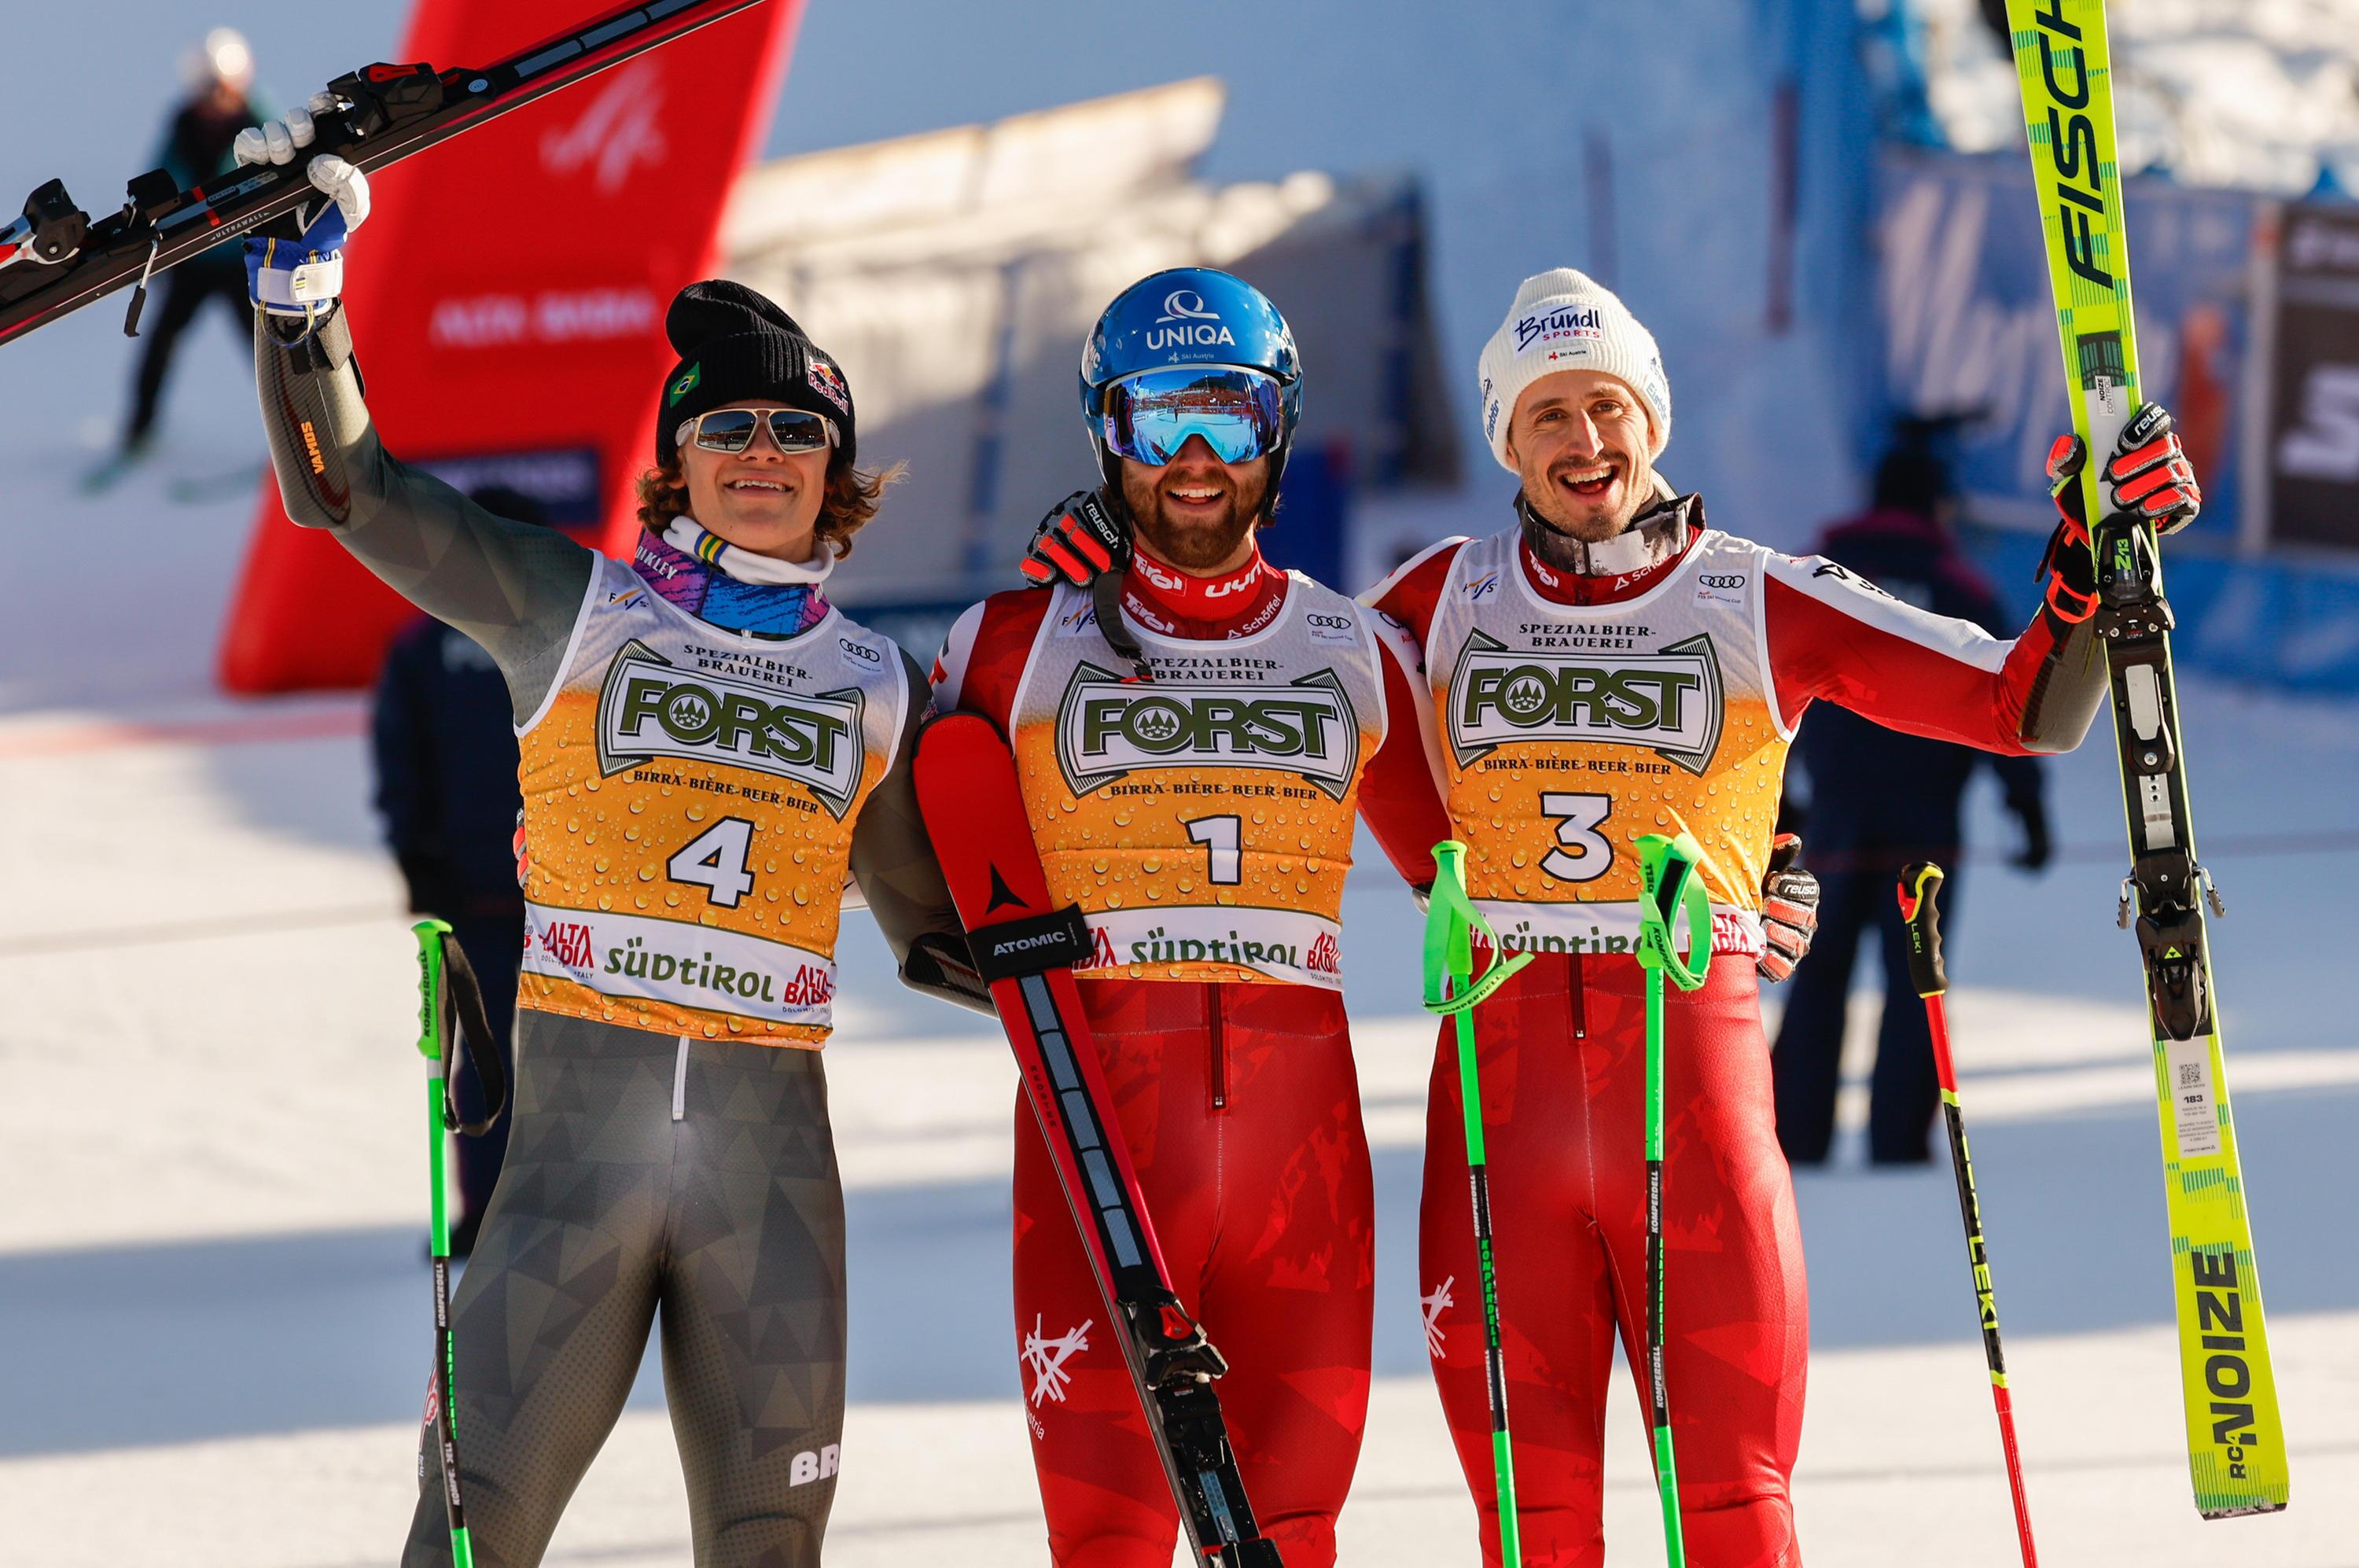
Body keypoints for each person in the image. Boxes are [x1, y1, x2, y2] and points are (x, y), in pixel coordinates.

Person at [1353, 269, 2199, 1566]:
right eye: (1548, 415)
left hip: (1692, 1121)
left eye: (1609, 405)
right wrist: (1098, 574)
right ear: (1506, 440)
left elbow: (2017, 704)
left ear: (1654, 415)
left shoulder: (1751, 592)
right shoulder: (1436, 596)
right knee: (1530, 1528)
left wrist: (2094, 556)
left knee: (1736, 1512)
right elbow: (1281, 676)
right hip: (1497, 1127)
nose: (1586, 440)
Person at [235, 128, 974, 1568]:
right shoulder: (572, 609)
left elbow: (948, 937)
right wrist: (300, 309)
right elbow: (349, 492)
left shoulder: (877, 684)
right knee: (470, 1536)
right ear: (676, 460)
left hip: (771, 1195)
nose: (762, 454)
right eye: (729, 428)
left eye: (797, 432)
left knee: (770, 1546)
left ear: (836, 472)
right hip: (567, 1181)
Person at [928, 267, 1438, 1568]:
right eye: (1160, 417)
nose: (1197, 455)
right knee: (1107, 1539)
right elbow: (850, 823)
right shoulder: (1004, 644)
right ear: (1107, 433)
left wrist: (1748, 860)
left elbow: (1489, 866)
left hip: (1302, 1177)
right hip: (1097, 1157)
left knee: (1296, 1537)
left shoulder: (1355, 649)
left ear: (1281, 426)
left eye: (1231, 412)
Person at [1771, 429, 2054, 1168]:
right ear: (1936, 507)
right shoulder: (1961, 590)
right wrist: (2026, 808)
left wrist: (1777, 806)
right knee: (1916, 982)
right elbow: (2009, 696)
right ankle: (1898, 1143)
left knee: (1816, 971)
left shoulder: (1818, 580)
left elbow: (1762, 683)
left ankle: (1796, 1135)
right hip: (1926, 822)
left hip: (1834, 817)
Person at [369, 484, 550, 1253]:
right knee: (481, 1053)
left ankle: (575, 1207)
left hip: (574, 896)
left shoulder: (579, 635)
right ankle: (492, 1206)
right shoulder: (426, 646)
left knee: (577, 1055)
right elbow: (401, 757)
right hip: (477, 892)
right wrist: (417, 854)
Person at [89, 30, 271, 487]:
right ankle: (139, 432)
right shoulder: (182, 125)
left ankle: (296, 433)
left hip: (240, 261)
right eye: (207, 87)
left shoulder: (260, 124)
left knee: (267, 350)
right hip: (192, 260)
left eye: (222, 86)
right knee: (161, 345)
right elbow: (156, 182)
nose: (214, 97)